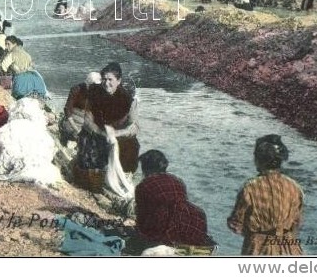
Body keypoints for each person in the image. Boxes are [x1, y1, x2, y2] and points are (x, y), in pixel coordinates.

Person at [227, 134, 304, 256]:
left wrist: (254, 232)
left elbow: (236, 224)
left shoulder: (249, 188)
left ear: (258, 160)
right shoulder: (294, 187)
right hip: (290, 249)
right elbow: (297, 223)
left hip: (258, 249)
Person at [124, 150, 213, 254]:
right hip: (194, 219)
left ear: (145, 168)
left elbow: (143, 218)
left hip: (168, 225)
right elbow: (181, 203)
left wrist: (136, 231)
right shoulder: (178, 180)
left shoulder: (143, 186)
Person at [74, 62, 139, 192]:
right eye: (104, 79)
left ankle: (124, 175)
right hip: (96, 134)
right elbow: (87, 121)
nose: (106, 83)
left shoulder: (128, 98)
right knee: (89, 152)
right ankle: (95, 177)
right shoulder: (93, 93)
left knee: (132, 145)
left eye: (110, 80)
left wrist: (116, 134)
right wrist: (103, 133)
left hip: (116, 135)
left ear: (118, 81)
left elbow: (134, 126)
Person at [0, 36, 48, 100]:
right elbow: (32, 65)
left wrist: (5, 86)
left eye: (8, 44)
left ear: (15, 44)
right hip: (34, 79)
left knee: (18, 98)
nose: (6, 46)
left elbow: (3, 67)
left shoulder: (11, 54)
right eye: (5, 44)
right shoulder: (26, 53)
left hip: (21, 81)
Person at [59, 71, 101, 146]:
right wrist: (76, 129)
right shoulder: (76, 89)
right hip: (73, 121)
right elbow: (67, 110)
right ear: (88, 84)